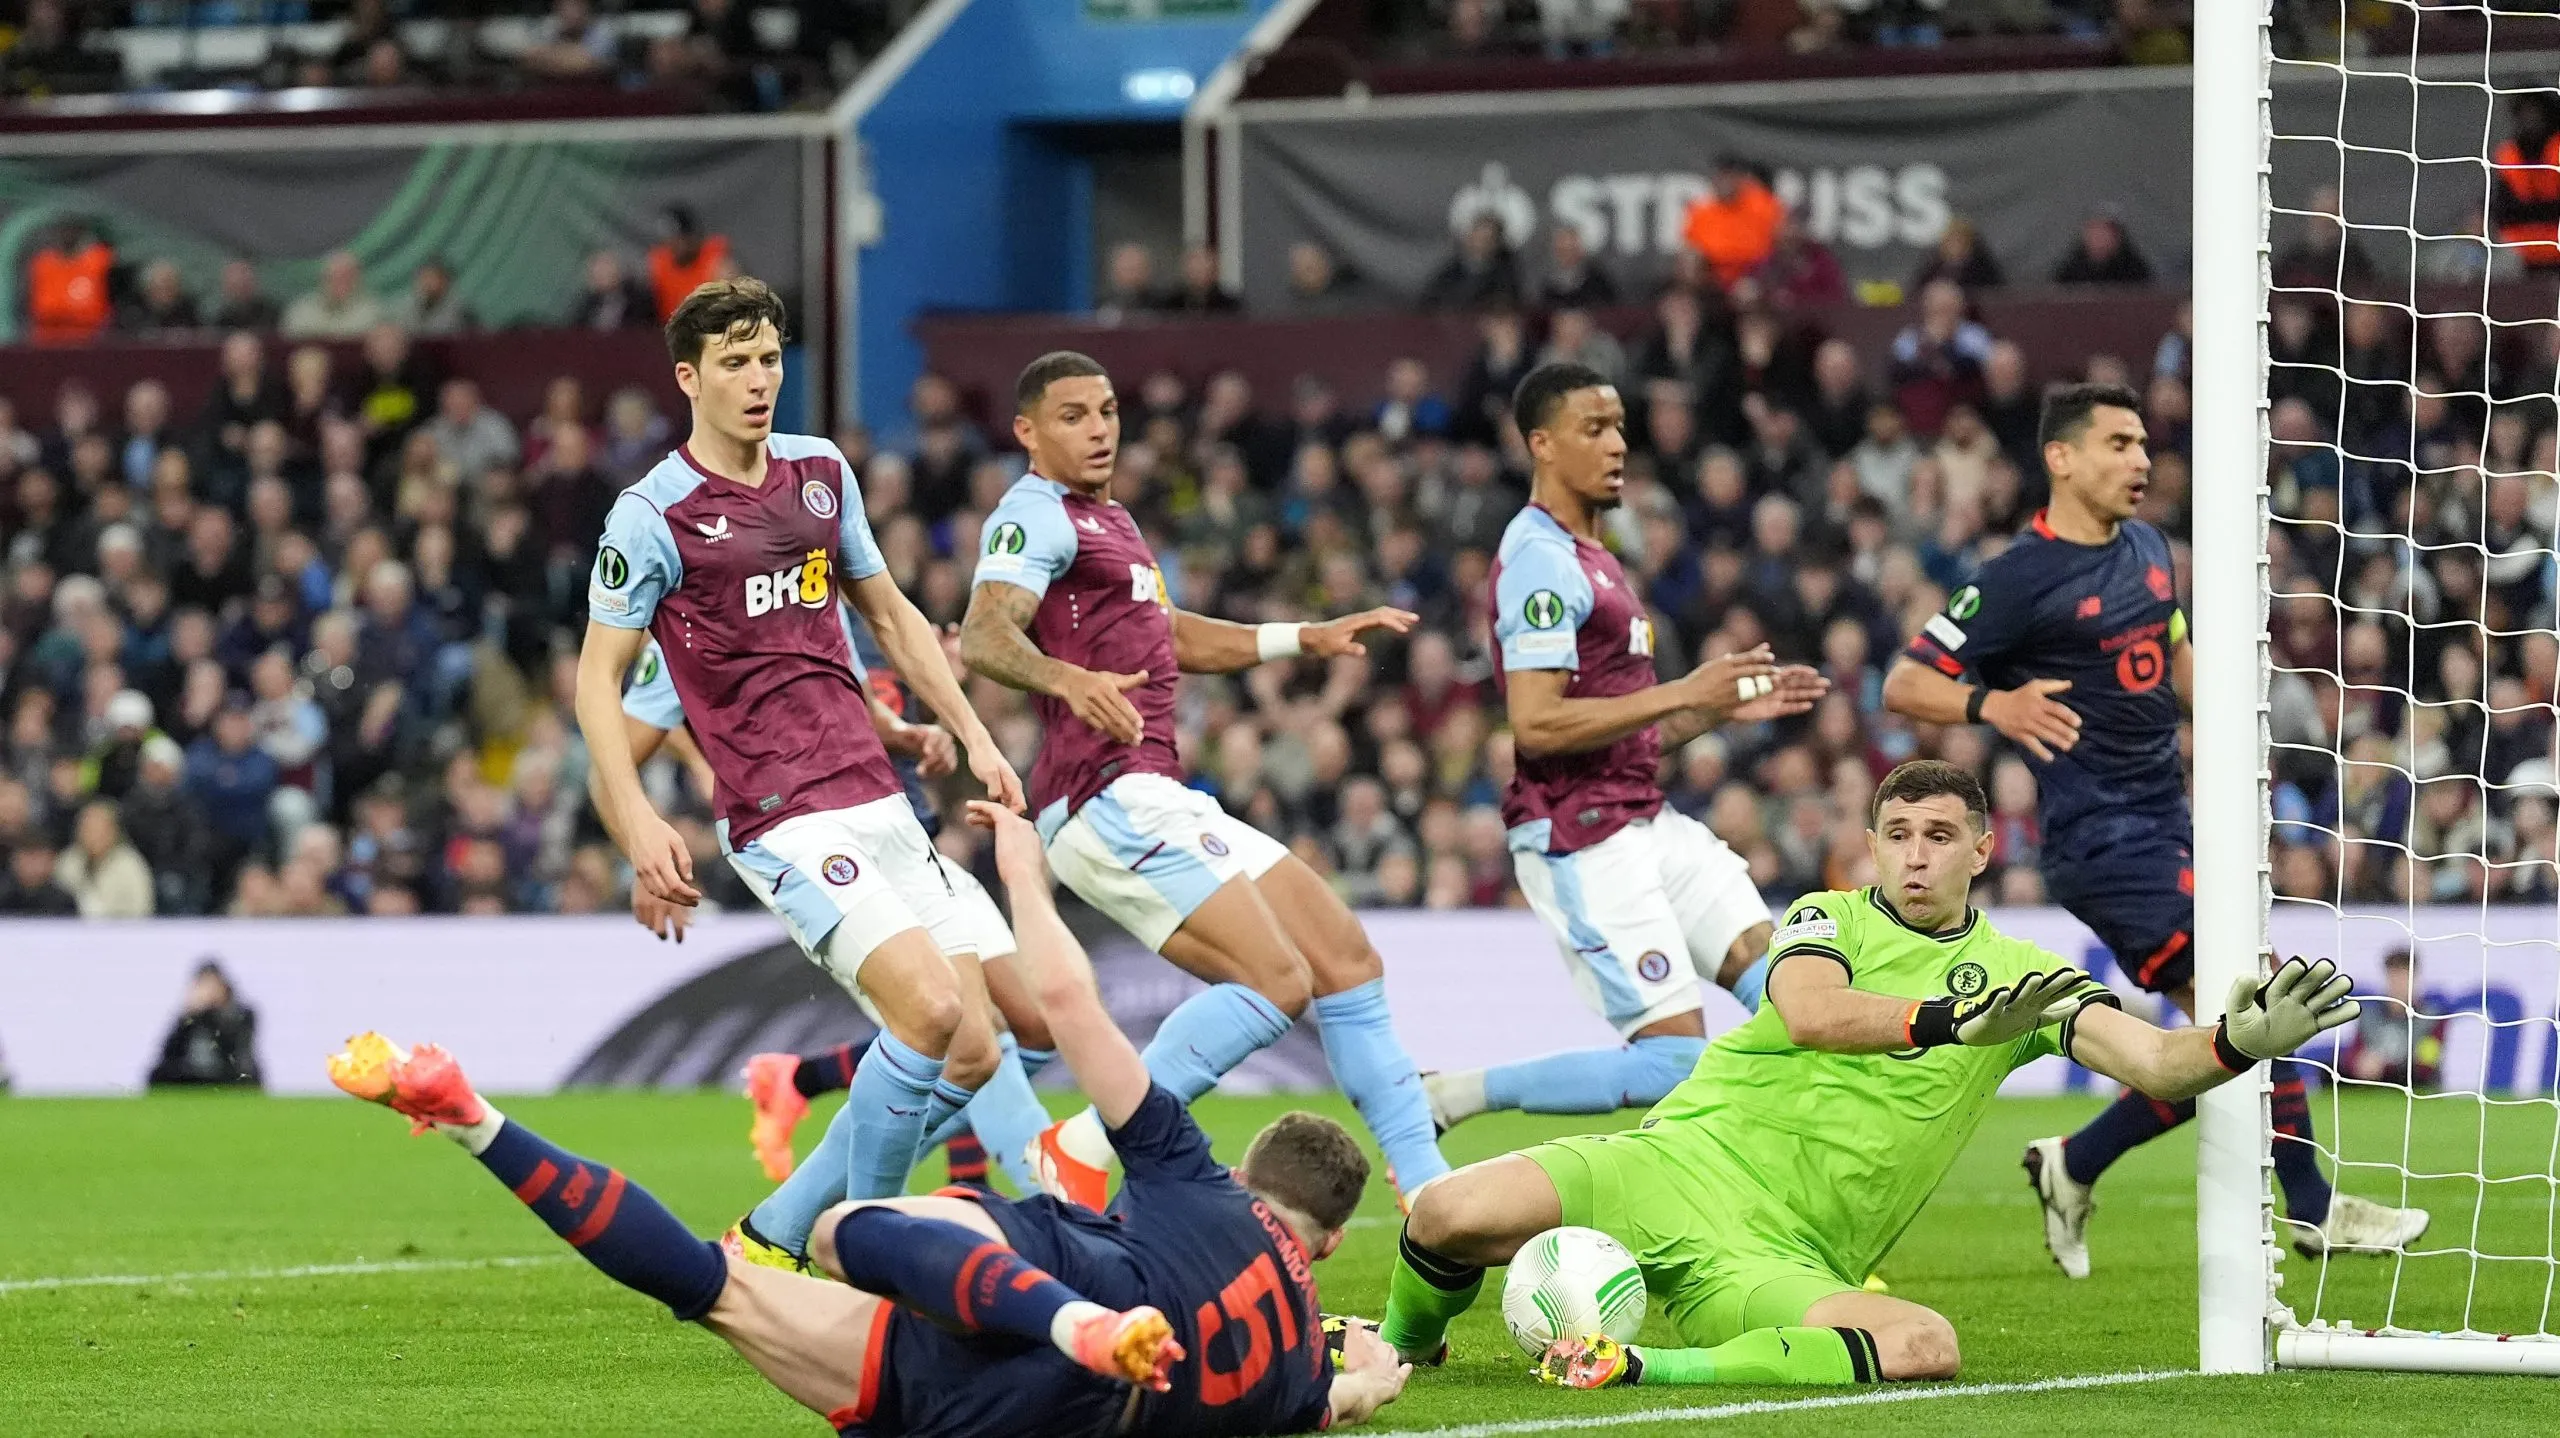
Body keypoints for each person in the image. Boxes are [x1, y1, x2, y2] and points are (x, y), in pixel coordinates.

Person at [325, 796, 1410, 1435]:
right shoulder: (1294, 1377)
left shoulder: (1194, 1175)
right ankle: (489, 1119)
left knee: (844, 1234)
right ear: (1324, 1239)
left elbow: (1073, 1003)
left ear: (1254, 1162)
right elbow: (1342, 1398)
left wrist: (1024, 873)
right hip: (1043, 1415)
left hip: (1074, 1284)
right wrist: (1373, 1372)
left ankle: (475, 1118)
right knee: (724, 1287)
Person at [1381, 760, 2367, 1390]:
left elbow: (2151, 1058)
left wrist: (2239, 1040)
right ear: (1872, 847)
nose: (1915, 856)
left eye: (1939, 837)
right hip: (1670, 1165)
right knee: (1444, 1212)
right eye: (1897, 835)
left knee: (1921, 1346)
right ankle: (1403, 1344)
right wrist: (1945, 1018)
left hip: (1779, 1255)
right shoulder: (1827, 916)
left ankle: (1639, 1362)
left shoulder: (2027, 981)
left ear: (1983, 849)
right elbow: (1810, 1013)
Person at [1880, 382, 2429, 1271]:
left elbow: (2170, 654)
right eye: (2118, 443)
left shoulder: (2147, 547)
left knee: (2222, 1035)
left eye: (2143, 444)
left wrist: (2241, 723)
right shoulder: (2020, 575)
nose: (2141, 460)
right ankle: (2314, 1206)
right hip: (2101, 841)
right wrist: (1994, 702)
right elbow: (1904, 684)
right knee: (2250, 999)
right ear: (2062, 458)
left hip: (2169, 821)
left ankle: (2076, 1160)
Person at [576, 277, 1026, 1272]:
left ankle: (780, 1230)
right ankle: (877, 1261)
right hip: (782, 816)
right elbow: (597, 690)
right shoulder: (652, 515)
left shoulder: (820, 472)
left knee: (993, 1040)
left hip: (876, 790)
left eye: (769, 357)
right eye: (733, 361)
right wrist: (638, 826)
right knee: (934, 1013)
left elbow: (889, 619)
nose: (757, 378)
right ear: (688, 377)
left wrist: (969, 735)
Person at [959, 351, 1449, 1209]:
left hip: (1155, 787)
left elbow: (1169, 634)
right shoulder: (1033, 515)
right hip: (1102, 794)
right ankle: (1078, 1146)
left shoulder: (1110, 521)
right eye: (1073, 415)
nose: (1100, 427)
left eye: (1107, 409)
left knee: (1344, 957)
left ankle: (1431, 1183)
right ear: (1028, 433)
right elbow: (984, 635)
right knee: (1276, 981)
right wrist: (1072, 682)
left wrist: (1304, 636)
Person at [1422, 364, 1826, 1135]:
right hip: (1583, 834)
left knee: (1803, 999)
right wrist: (1682, 690)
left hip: (1647, 817)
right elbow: (1537, 725)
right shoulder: (1539, 558)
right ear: (1542, 445)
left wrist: (1718, 707)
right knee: (1672, 1064)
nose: (1618, 445)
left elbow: (1625, 726)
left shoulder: (1597, 558)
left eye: (1619, 426)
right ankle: (1453, 1094)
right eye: (1594, 429)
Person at [611, 622, 1053, 1196]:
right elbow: (635, 729)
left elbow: (880, 714)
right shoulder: (718, 598)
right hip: (831, 848)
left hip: (912, 839)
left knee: (1023, 1027)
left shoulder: (858, 602)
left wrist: (926, 721)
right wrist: (646, 833)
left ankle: (807, 1090)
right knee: (964, 1036)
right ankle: (1037, 1195)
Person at [148, 960, 260, 1086]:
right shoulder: (190, 1017)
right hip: (191, 1074)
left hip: (225, 1072)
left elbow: (236, 1051)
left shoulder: (241, 1014)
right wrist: (191, 1016)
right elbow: (170, 1052)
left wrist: (214, 1013)